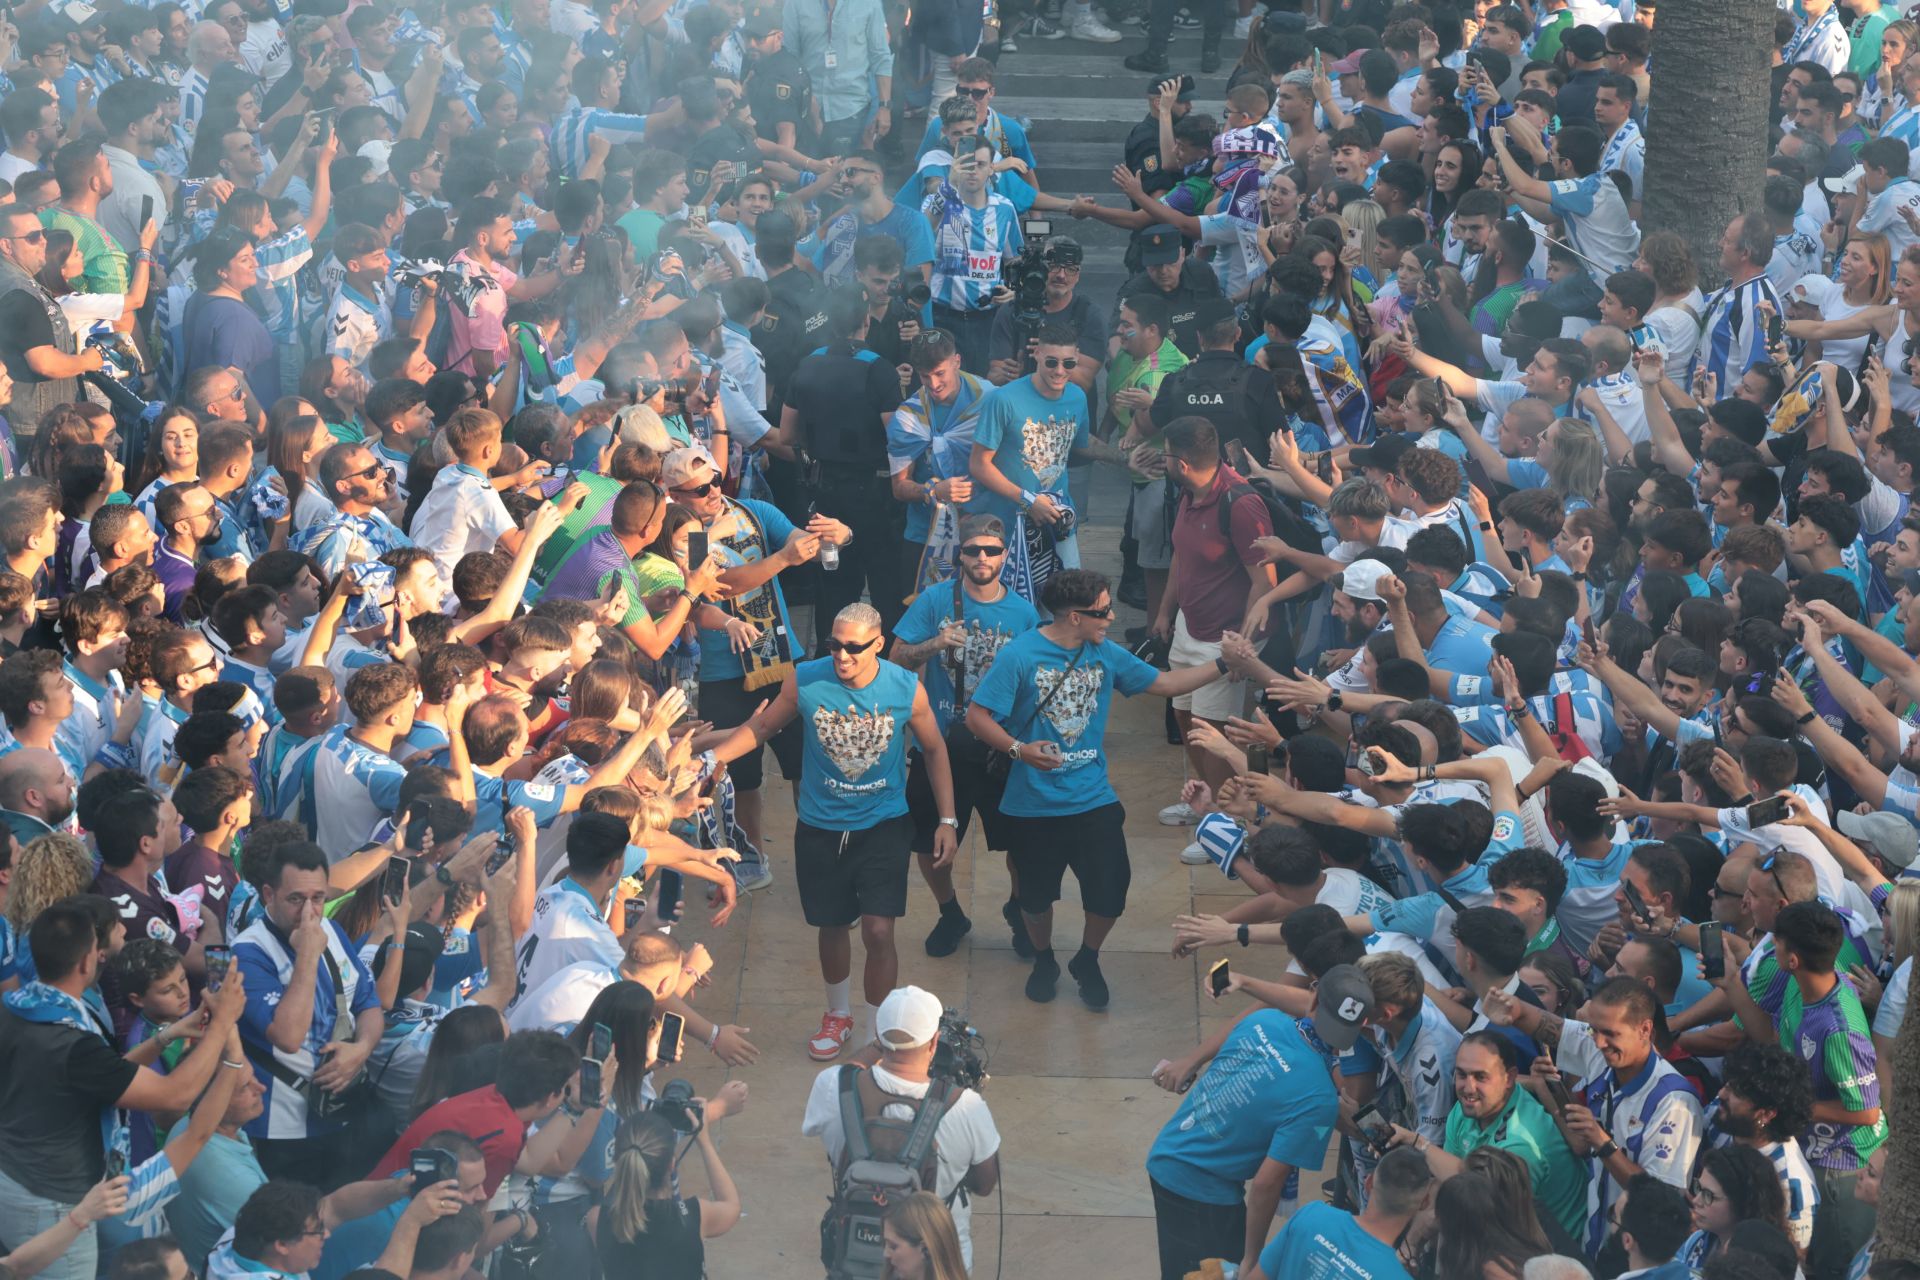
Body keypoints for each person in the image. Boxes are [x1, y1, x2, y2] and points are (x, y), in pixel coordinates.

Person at [712, 603, 955, 1058]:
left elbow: (935, 750)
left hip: (883, 824)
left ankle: (875, 1030)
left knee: (880, 931)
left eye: (854, 648)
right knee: (832, 923)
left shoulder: (906, 688)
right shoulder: (806, 679)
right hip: (821, 827)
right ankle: (838, 1014)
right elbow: (763, 726)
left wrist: (947, 820)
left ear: (878, 645)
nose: (842, 656)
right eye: (835, 645)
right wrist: (712, 762)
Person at [1145, 964, 1376, 1280]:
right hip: (1204, 1194)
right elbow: (1267, 1184)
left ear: (1313, 999)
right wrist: (1252, 1258)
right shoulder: (1318, 1099)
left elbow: (1274, 1086)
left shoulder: (1263, 1020)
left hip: (1169, 1153)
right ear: (1361, 1027)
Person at [802, 986, 1000, 1270]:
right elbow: (984, 1185)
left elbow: (845, 1074)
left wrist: (876, 1047)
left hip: (857, 1259)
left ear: (879, 1038)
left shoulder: (833, 1087)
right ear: (934, 1042)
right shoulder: (966, 1107)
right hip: (937, 1263)